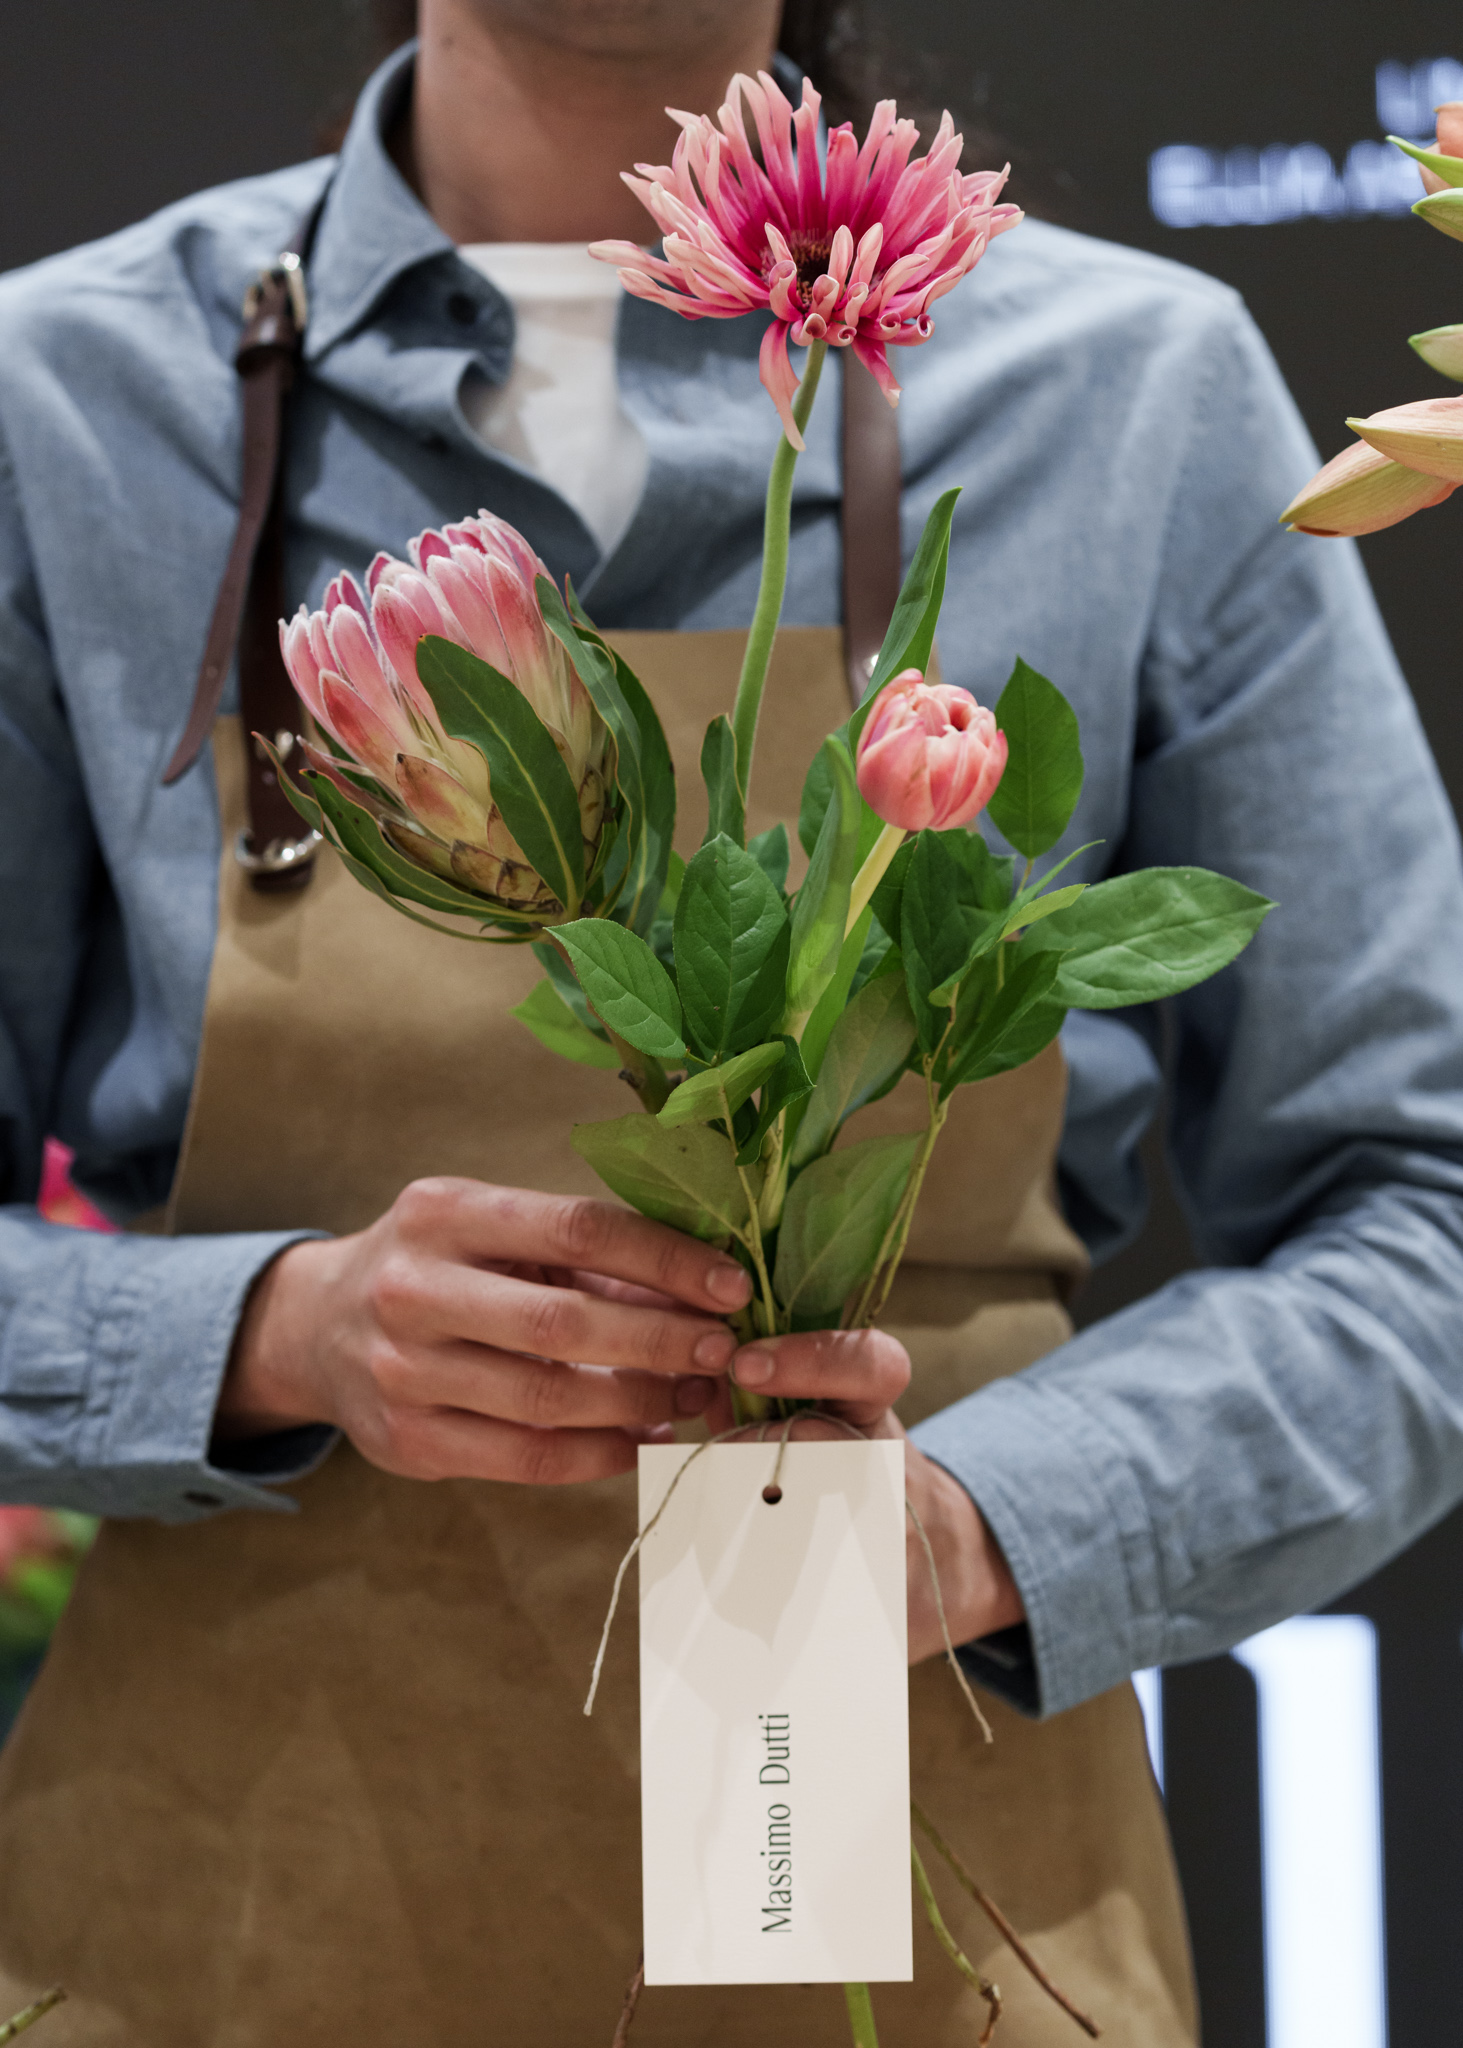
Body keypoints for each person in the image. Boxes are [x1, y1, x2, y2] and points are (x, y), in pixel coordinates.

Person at [2, 1, 1463, 2042]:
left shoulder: (1140, 390)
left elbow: (1422, 1217)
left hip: (944, 1924)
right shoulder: (65, 397)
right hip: (229, 1930)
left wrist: (988, 1523)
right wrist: (270, 1335)